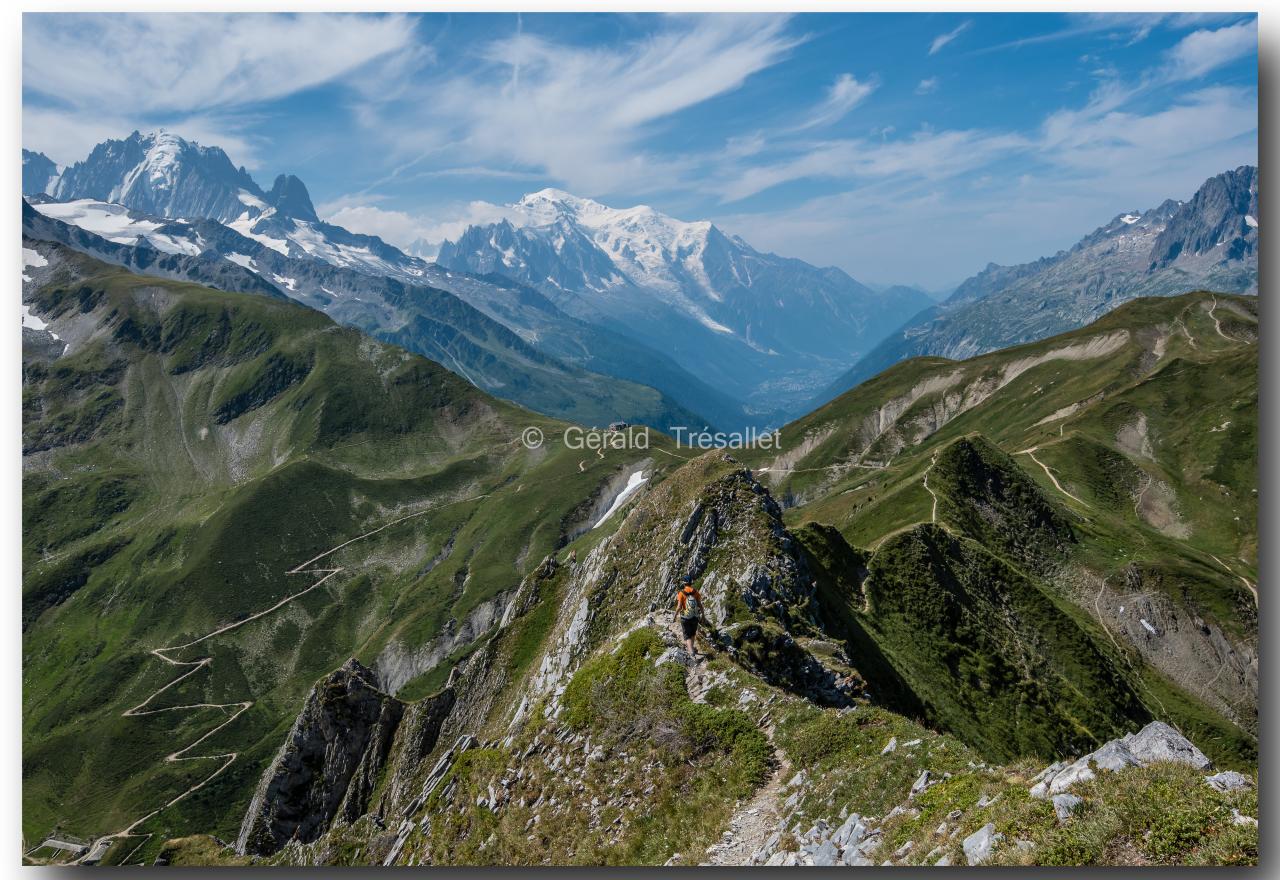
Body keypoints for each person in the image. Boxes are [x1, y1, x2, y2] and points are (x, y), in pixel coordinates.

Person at [672, 576, 705, 659]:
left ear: (684, 583)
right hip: (695, 616)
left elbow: (679, 607)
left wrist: (675, 616)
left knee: (687, 636)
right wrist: (703, 616)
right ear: (691, 582)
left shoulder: (681, 593)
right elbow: (700, 605)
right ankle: (692, 648)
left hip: (685, 617)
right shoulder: (696, 592)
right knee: (693, 634)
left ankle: (691, 653)